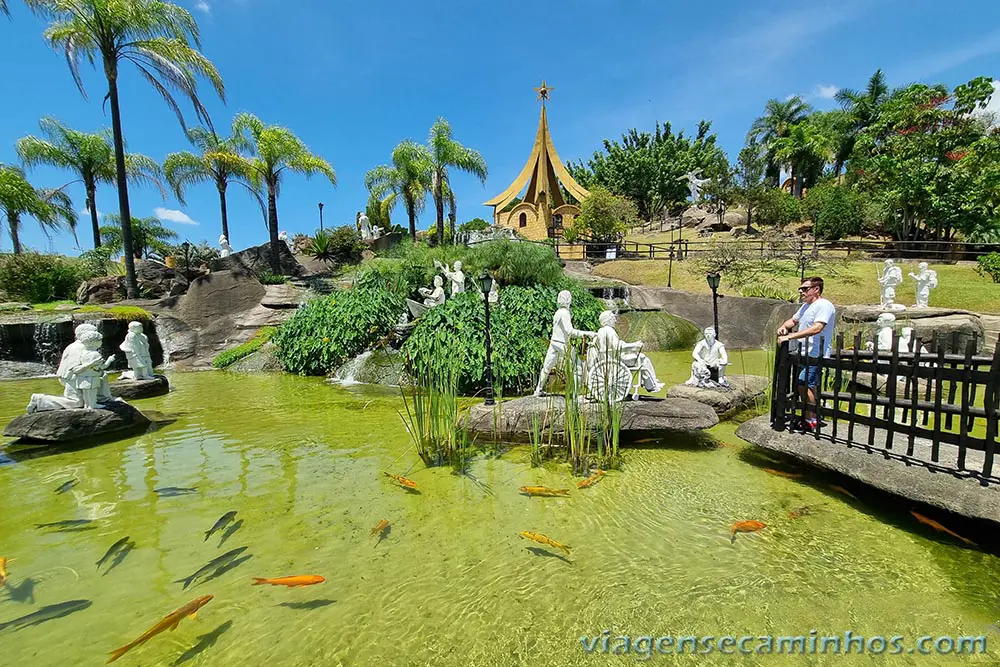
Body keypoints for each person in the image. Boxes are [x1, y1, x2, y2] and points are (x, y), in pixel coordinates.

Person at [776, 276, 836, 431]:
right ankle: (810, 416)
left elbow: (817, 328)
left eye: (805, 289)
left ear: (816, 289)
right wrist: (784, 326)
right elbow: (793, 321)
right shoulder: (805, 306)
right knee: (807, 386)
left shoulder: (824, 305)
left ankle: (811, 419)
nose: (802, 292)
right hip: (803, 353)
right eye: (800, 289)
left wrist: (790, 336)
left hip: (816, 354)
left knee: (804, 385)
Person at [533, 290, 596, 397]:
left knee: (546, 367)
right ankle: (575, 395)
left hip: (554, 343)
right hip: (562, 344)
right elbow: (570, 331)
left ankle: (538, 390)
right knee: (578, 367)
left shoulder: (557, 312)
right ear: (569, 300)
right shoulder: (565, 313)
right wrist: (587, 333)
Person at [592, 310, 665, 394]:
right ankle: (651, 385)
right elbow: (618, 346)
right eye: (613, 318)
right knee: (644, 359)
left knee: (641, 357)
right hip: (616, 359)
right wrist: (635, 345)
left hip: (608, 358)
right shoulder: (609, 330)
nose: (615, 321)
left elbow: (616, 345)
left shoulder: (601, 331)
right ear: (608, 320)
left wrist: (631, 346)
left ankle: (650, 383)